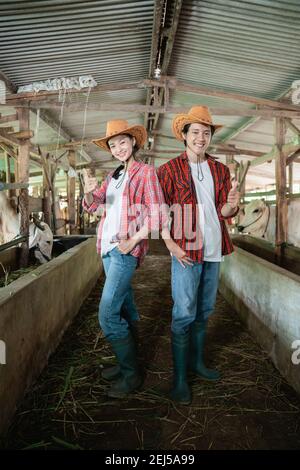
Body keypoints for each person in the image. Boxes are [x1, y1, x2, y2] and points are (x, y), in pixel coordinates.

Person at [157, 106, 240, 405]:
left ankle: (197, 363)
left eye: (206, 133)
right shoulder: (167, 170)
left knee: (204, 310)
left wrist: (231, 205)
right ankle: (180, 378)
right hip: (185, 251)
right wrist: (170, 244)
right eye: (195, 132)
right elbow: (158, 212)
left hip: (214, 249)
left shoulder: (220, 170)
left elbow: (224, 211)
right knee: (183, 312)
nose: (201, 138)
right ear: (184, 135)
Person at [82, 119, 165, 399]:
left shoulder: (146, 173)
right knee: (123, 309)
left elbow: (158, 215)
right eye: (113, 144)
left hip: (124, 250)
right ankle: (124, 365)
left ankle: (132, 376)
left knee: (106, 315)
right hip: (106, 249)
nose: (118, 148)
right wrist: (89, 189)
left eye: (123, 141)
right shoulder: (112, 177)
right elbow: (94, 207)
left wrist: (133, 240)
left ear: (133, 142)